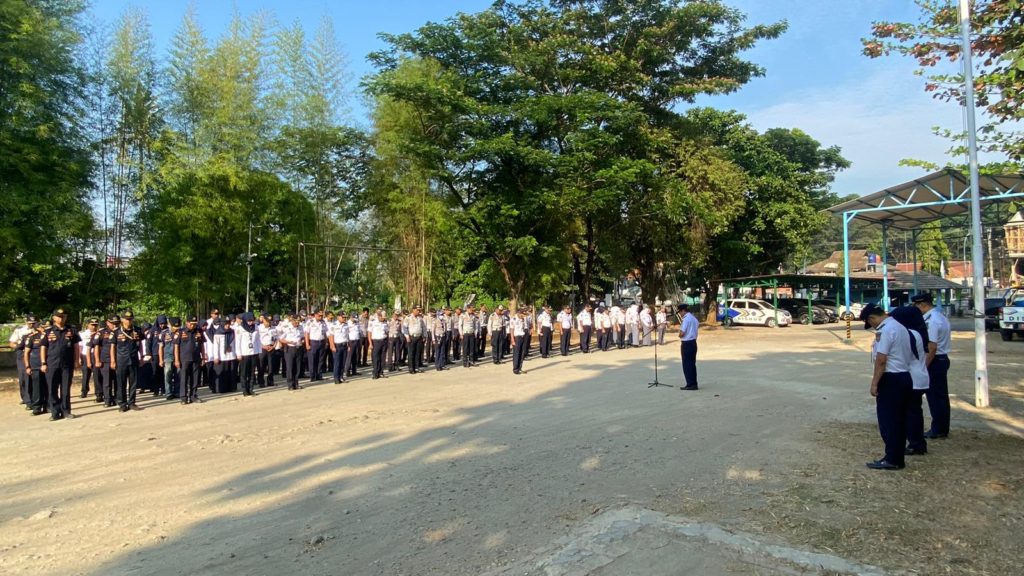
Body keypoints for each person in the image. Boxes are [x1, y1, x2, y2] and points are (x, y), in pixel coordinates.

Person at [860, 303, 914, 471]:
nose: (872, 326)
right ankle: (896, 455)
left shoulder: (885, 330)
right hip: (904, 376)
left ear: (872, 318)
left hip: (891, 379)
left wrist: (874, 383)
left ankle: (892, 458)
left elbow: (881, 360)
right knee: (899, 420)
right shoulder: (900, 327)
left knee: (889, 421)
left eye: (871, 323)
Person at [890, 306, 931, 456]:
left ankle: (916, 443)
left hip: (912, 378)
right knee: (914, 412)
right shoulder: (918, 333)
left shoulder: (908, 334)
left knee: (910, 413)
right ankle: (917, 442)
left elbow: (900, 357)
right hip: (919, 377)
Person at [912, 293, 952, 439]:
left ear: (923, 305)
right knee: (940, 396)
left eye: (916, 306)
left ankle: (939, 429)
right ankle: (941, 428)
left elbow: (932, 347)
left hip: (934, 360)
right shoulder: (940, 316)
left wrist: (924, 367)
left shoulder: (932, 321)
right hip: (940, 359)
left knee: (936, 397)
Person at [40, 309, 80, 420]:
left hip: (67, 364)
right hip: (52, 364)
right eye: (59, 316)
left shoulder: (71, 330)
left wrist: (77, 360)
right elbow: (43, 347)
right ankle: (55, 412)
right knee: (52, 389)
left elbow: (76, 347)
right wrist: (43, 363)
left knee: (65, 390)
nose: (61, 318)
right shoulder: (48, 331)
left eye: (63, 316)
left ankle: (66, 411)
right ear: (54, 318)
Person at [111, 310, 144, 412]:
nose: (129, 321)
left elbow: (140, 344)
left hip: (133, 359)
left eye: (130, 319)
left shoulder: (137, 330)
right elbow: (113, 347)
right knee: (121, 383)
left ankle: (132, 402)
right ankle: (122, 404)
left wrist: (142, 356)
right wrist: (113, 360)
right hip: (121, 361)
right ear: (122, 320)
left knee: (133, 383)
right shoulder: (116, 332)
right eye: (127, 319)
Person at [175, 316, 207, 404]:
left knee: (195, 379)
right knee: (184, 379)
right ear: (187, 323)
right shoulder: (180, 332)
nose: (193, 326)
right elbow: (176, 346)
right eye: (191, 324)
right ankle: (183, 398)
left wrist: (203, 357)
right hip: (184, 359)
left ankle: (193, 396)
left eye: (194, 324)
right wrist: (177, 360)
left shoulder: (199, 331)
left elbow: (202, 345)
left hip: (196, 358)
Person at [10, 315, 37, 409]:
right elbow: (11, 343)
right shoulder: (19, 330)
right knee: (24, 377)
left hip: (34, 354)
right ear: (26, 322)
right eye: (30, 323)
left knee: (34, 377)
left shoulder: (38, 330)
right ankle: (26, 399)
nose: (32, 325)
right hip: (22, 354)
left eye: (33, 323)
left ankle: (32, 398)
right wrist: (19, 347)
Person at [92, 315, 118, 407]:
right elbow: (96, 347)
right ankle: (107, 400)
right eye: (112, 323)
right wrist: (97, 360)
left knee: (118, 381)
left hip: (118, 360)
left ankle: (117, 399)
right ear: (107, 322)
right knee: (107, 382)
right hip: (105, 360)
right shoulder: (102, 333)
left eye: (116, 323)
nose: (114, 325)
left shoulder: (120, 332)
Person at [24, 319, 48, 415]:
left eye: (46, 327)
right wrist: (27, 366)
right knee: (37, 388)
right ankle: (37, 407)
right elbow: (26, 353)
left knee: (49, 386)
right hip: (36, 366)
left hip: (49, 365)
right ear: (38, 328)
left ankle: (48, 406)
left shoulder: (51, 336)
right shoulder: (32, 337)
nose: (44, 329)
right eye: (43, 327)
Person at [235, 312, 261, 396]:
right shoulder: (240, 328)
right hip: (244, 353)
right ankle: (244, 390)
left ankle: (251, 389)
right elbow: (237, 342)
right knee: (244, 372)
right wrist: (238, 354)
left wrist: (259, 351)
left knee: (252, 372)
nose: (250, 322)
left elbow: (258, 340)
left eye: (252, 320)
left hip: (254, 352)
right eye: (249, 321)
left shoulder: (256, 327)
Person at [278, 315, 305, 390]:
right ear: (292, 321)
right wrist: (289, 342)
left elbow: (302, 336)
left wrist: (302, 340)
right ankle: (290, 385)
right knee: (290, 367)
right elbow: (281, 339)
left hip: (298, 348)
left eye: (299, 321)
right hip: (290, 348)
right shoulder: (287, 328)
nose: (298, 323)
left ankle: (296, 383)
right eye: (296, 321)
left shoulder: (301, 327)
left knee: (297, 367)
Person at [158, 317, 181, 400]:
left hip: (179, 357)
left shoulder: (181, 332)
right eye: (174, 327)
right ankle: (168, 393)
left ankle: (177, 392)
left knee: (178, 375)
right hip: (167, 357)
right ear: (170, 325)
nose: (176, 328)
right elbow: (160, 347)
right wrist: (161, 360)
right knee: (168, 376)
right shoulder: (164, 333)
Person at [678, 304, 699, 391]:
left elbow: (682, 333)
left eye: (680, 312)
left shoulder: (686, 319)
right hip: (693, 342)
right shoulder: (694, 318)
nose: (680, 314)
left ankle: (690, 384)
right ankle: (694, 383)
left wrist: (679, 335)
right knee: (692, 364)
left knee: (687, 365)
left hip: (686, 343)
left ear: (683, 311)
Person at [305, 310, 327, 382]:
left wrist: (326, 342)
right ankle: (312, 376)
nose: (320, 317)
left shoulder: (323, 322)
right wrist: (307, 344)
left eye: (321, 316)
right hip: (313, 342)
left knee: (320, 360)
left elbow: (325, 333)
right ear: (315, 315)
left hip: (321, 341)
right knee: (312, 360)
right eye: (319, 315)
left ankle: (319, 375)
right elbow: (306, 333)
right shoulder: (310, 322)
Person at [78, 318, 98, 399]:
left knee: (97, 375)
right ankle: (84, 391)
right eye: (92, 325)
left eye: (95, 325)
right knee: (85, 374)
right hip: (85, 355)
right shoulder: (82, 334)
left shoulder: (99, 333)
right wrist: (79, 357)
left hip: (96, 355)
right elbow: (80, 346)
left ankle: (98, 393)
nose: (94, 327)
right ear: (88, 325)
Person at [329, 311, 350, 384]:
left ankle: (341, 376)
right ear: (338, 317)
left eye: (345, 317)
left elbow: (347, 336)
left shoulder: (346, 325)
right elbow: (331, 336)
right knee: (337, 363)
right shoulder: (333, 325)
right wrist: (332, 346)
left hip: (344, 345)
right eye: (343, 317)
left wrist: (348, 345)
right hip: (337, 346)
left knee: (343, 362)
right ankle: (336, 378)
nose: (344, 318)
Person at [257, 314, 278, 387]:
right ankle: (261, 382)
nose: (268, 323)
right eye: (267, 322)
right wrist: (263, 346)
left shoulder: (274, 328)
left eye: (269, 322)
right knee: (261, 366)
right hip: (262, 348)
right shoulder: (259, 328)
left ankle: (270, 381)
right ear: (263, 321)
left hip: (271, 348)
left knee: (271, 366)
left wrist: (273, 346)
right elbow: (257, 339)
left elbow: (276, 339)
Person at [407, 305, 427, 373]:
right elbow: (404, 328)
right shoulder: (408, 317)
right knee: (411, 353)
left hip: (419, 337)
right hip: (412, 337)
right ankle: (411, 368)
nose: (419, 311)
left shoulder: (420, 318)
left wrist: (424, 336)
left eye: (419, 310)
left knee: (417, 353)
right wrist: (407, 336)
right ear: (413, 310)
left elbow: (423, 327)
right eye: (417, 310)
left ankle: (416, 367)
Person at [370, 310, 389, 379]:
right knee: (376, 358)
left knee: (382, 358)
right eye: (382, 317)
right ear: (379, 316)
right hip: (376, 342)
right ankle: (375, 373)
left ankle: (381, 372)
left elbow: (387, 332)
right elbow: (369, 333)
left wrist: (387, 341)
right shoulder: (373, 322)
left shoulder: (385, 322)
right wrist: (370, 343)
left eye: (384, 318)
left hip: (384, 341)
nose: (383, 319)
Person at [509, 309, 529, 375]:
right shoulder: (513, 319)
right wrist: (512, 340)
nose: (524, 316)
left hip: (523, 336)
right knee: (516, 353)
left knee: (522, 353)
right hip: (517, 338)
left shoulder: (522, 319)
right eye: (523, 315)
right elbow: (512, 330)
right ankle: (515, 369)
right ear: (519, 313)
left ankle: (520, 368)